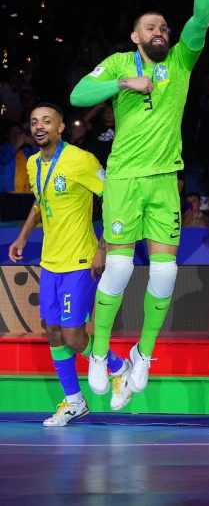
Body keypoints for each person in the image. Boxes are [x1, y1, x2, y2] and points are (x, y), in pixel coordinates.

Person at [69, 0, 209, 402]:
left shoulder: (180, 64)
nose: (159, 32)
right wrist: (122, 85)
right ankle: (98, 353)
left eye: (163, 28)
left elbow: (200, 23)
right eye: (150, 28)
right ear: (135, 36)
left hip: (164, 180)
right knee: (117, 266)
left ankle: (142, 354)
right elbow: (77, 95)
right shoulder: (117, 64)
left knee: (166, 274)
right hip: (124, 181)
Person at [8, 103, 126, 424]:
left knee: (73, 336)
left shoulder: (80, 160)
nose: (39, 126)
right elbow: (40, 202)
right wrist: (21, 237)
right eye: (34, 122)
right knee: (52, 331)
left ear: (61, 127)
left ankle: (118, 367)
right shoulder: (33, 164)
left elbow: (113, 198)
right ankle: (74, 400)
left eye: (47, 121)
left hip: (79, 259)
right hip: (50, 262)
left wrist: (104, 247)